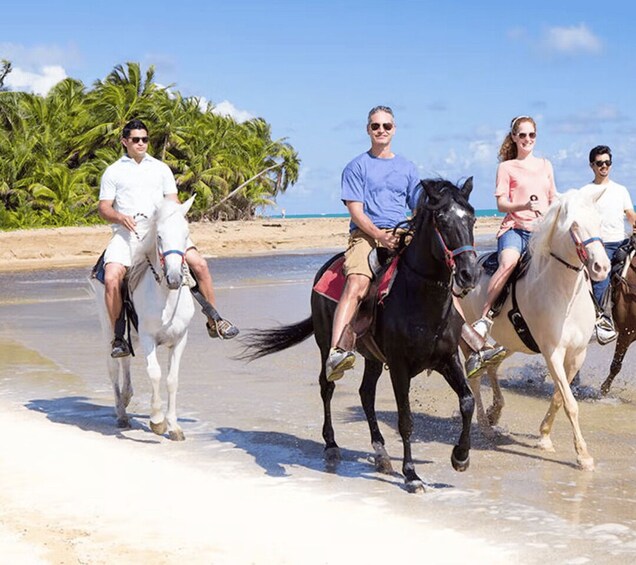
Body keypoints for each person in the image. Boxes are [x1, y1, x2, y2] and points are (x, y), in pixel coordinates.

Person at [326, 106, 502, 381]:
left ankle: (474, 349)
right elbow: (356, 211)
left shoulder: (406, 167)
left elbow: (417, 207)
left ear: (394, 130)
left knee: (442, 281)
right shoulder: (356, 166)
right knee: (357, 284)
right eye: (376, 126)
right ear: (368, 130)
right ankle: (337, 350)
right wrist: (379, 235)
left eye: (386, 126)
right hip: (366, 235)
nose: (381, 130)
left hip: (402, 232)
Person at [98, 118, 239, 358]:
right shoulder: (113, 171)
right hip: (127, 234)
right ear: (125, 142)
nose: (141, 144)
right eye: (135, 140)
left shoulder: (161, 168)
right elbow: (104, 208)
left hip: (162, 232)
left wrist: (174, 222)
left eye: (144, 139)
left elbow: (172, 200)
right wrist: (120, 217)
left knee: (200, 265)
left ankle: (214, 320)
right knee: (112, 277)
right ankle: (118, 338)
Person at [468, 116, 557, 358]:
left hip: (541, 232)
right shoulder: (506, 168)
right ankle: (485, 318)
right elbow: (501, 204)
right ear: (514, 137)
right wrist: (524, 204)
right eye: (523, 135)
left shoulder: (546, 165)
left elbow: (553, 197)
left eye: (532, 135)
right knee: (508, 263)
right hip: (514, 229)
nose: (527, 139)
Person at [579, 145, 636, 344]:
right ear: (592, 166)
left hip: (622, 243)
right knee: (602, 278)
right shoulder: (585, 192)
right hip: (599, 247)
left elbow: (630, 214)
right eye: (600, 163)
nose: (604, 166)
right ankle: (602, 319)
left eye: (607, 163)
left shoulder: (621, 190)